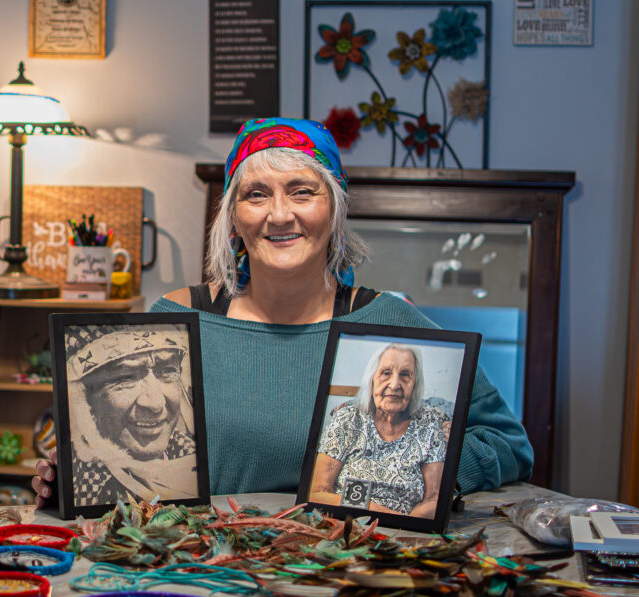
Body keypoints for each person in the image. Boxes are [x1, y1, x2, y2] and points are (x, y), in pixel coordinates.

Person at [34, 117, 532, 506]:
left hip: (342, 581)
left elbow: (508, 444)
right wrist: (78, 481)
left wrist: (425, 470)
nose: (279, 214)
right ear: (233, 217)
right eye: (256, 195)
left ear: (334, 209)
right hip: (201, 575)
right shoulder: (176, 321)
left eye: (302, 191)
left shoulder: (388, 323)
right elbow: (135, 461)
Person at [62, 324, 198, 507]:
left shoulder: (190, 456)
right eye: (126, 378)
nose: (155, 404)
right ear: (85, 398)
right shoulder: (84, 486)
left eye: (167, 371)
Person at [309, 344, 449, 518]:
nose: (395, 384)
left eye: (405, 375)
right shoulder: (348, 419)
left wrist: (405, 527)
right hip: (345, 523)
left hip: (405, 531)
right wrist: (379, 513)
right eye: (386, 373)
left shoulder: (429, 424)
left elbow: (433, 500)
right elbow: (317, 492)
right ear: (372, 379)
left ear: (415, 384)